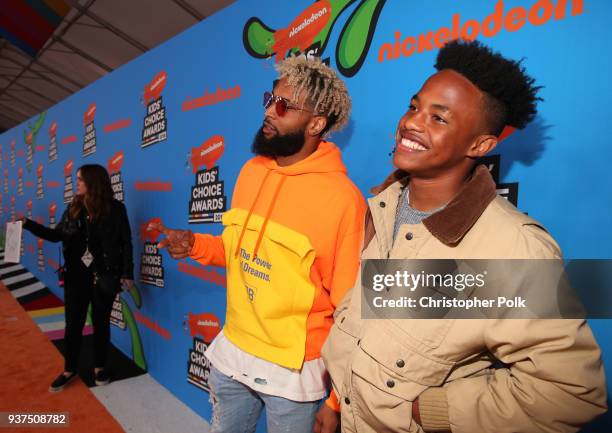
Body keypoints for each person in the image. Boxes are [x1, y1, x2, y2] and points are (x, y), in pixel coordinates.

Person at [321, 40, 608, 432]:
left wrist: (436, 411)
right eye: (414, 106)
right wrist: (336, 402)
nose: (412, 122)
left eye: (439, 118)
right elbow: (369, 321)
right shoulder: (384, 208)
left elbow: (570, 393)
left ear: (481, 145)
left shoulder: (515, 249)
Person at [153, 56, 366, 433]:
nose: (270, 110)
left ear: (317, 124)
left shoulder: (343, 200)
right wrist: (196, 245)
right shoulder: (251, 171)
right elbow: (237, 249)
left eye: (284, 106)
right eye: (270, 98)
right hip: (232, 353)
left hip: (292, 374)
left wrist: (335, 399)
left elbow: (351, 309)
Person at [22, 164, 134, 392]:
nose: (77, 183)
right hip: (76, 277)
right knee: (73, 325)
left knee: (101, 324)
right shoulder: (73, 208)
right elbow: (55, 236)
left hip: (105, 276)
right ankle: (69, 369)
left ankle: (99, 368)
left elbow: (126, 243)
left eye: (81, 179)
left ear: (93, 182)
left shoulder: (116, 209)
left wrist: (127, 273)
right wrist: (28, 225)